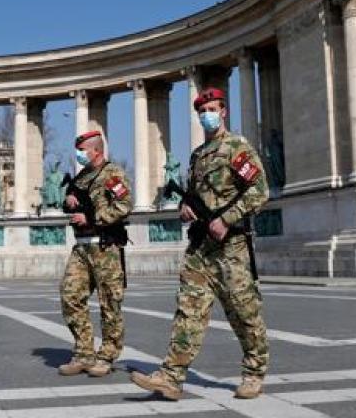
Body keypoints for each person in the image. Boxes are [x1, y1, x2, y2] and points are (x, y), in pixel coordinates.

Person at [130, 87, 270, 400]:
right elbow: (194, 197)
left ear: (223, 112)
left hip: (231, 247)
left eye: (212, 108)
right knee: (188, 311)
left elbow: (259, 191)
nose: (206, 114)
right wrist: (185, 211)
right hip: (201, 247)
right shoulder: (197, 156)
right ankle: (171, 376)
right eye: (201, 110)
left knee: (243, 312)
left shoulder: (237, 147)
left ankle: (253, 372)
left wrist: (228, 218)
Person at [58, 130, 132, 378]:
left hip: (105, 246)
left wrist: (91, 217)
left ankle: (108, 354)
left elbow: (124, 205)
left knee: (109, 302)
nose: (78, 154)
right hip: (81, 246)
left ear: (97, 151)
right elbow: (72, 199)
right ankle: (83, 351)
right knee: (70, 294)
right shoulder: (81, 177)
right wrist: (69, 200)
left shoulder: (113, 174)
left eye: (83, 150)